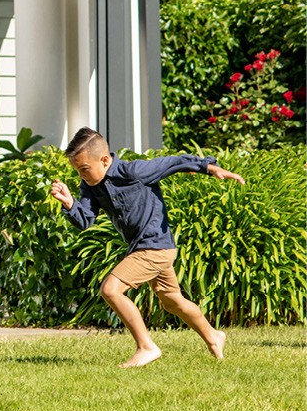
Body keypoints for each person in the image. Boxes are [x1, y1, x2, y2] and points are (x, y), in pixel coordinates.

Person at [51, 127, 244, 368]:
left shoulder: (134, 171)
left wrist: (209, 167)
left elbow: (173, 163)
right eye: (77, 171)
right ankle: (214, 336)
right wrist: (70, 203)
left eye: (84, 169)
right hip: (143, 248)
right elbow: (85, 221)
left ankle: (146, 347)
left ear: (104, 160)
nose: (81, 175)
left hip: (155, 246)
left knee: (111, 290)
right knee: (172, 300)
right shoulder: (90, 186)